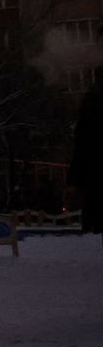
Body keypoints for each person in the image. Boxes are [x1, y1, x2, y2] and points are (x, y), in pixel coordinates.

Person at [71, 65, 103, 234]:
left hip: (90, 164)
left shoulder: (90, 99)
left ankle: (91, 227)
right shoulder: (92, 99)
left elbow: (81, 135)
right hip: (92, 162)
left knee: (91, 200)